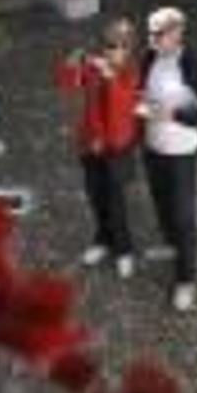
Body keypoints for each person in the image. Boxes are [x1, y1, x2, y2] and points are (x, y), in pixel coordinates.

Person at [138, 6, 197, 312]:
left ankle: (186, 280)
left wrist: (174, 114)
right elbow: (141, 89)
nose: (151, 39)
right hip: (152, 146)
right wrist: (141, 103)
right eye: (149, 33)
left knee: (183, 215)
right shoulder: (149, 57)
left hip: (181, 152)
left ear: (177, 33)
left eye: (158, 34)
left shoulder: (193, 64)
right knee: (160, 201)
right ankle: (171, 245)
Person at [56, 19, 142, 278]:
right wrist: (70, 65)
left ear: (128, 49)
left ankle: (124, 250)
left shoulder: (131, 74)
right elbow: (68, 84)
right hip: (91, 145)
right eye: (108, 45)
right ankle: (102, 240)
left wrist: (111, 78)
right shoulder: (95, 68)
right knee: (95, 196)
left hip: (117, 147)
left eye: (119, 46)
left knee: (116, 201)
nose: (112, 50)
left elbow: (122, 107)